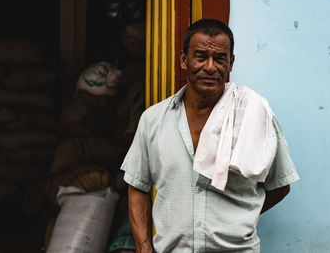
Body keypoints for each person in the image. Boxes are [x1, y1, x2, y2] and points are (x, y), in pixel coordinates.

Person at [120, 18, 299, 253]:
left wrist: (241, 215)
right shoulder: (153, 120)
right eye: (201, 56)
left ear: (231, 63)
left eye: (220, 58)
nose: (210, 67)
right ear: (184, 60)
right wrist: (143, 246)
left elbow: (280, 185)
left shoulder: (255, 116)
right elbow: (137, 185)